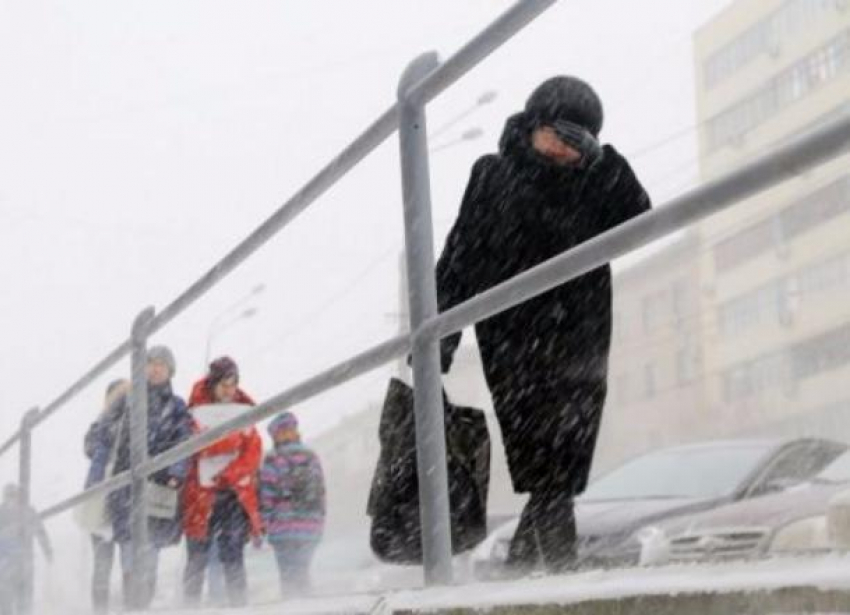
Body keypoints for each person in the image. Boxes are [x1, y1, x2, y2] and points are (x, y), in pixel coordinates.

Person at [435, 76, 651, 573]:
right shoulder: (493, 175)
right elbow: (459, 258)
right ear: (533, 124)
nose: (562, 148)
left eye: (578, 140)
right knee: (543, 463)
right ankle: (549, 571)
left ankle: (529, 572)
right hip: (515, 341)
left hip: (581, 336)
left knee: (563, 464)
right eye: (557, 132)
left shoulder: (594, 182)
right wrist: (439, 342)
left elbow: (639, 218)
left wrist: (604, 161)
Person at [105, 345, 192, 609]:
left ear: (170, 371)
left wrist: (176, 472)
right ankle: (132, 605)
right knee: (129, 553)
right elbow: (104, 434)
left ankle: (142, 605)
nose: (155, 368)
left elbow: (184, 441)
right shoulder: (127, 399)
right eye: (150, 363)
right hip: (126, 489)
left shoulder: (177, 407)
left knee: (151, 553)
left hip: (158, 487)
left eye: (161, 364)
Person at [182, 356, 263, 608]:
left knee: (234, 556)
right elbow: (193, 445)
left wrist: (231, 471)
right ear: (213, 384)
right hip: (200, 495)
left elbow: (254, 452)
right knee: (197, 556)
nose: (229, 390)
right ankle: (188, 609)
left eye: (233, 384)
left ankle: (239, 607)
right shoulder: (193, 413)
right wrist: (233, 440)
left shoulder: (245, 412)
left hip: (233, 495)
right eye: (224, 384)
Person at [259, 412, 326, 596]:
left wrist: (263, 525)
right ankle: (307, 606)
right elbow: (320, 492)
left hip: (283, 529)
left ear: (277, 434)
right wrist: (319, 522)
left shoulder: (274, 458)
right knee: (303, 573)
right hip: (310, 528)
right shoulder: (311, 456)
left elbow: (267, 497)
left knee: (288, 579)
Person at [83, 378, 130, 614]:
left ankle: (131, 608)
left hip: (127, 501)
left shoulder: (136, 423)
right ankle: (100, 609)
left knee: (129, 561)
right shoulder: (100, 425)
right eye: (116, 395)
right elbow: (90, 448)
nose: (121, 399)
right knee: (103, 565)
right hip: (102, 500)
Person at [0, 484, 52, 615]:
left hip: (22, 564)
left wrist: (48, 551)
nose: (12, 499)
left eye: (14, 495)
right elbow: (41, 533)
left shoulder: (28, 511)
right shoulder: (3, 513)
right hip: (6, 565)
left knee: (23, 600)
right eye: (9, 495)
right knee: (7, 600)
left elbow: (41, 533)